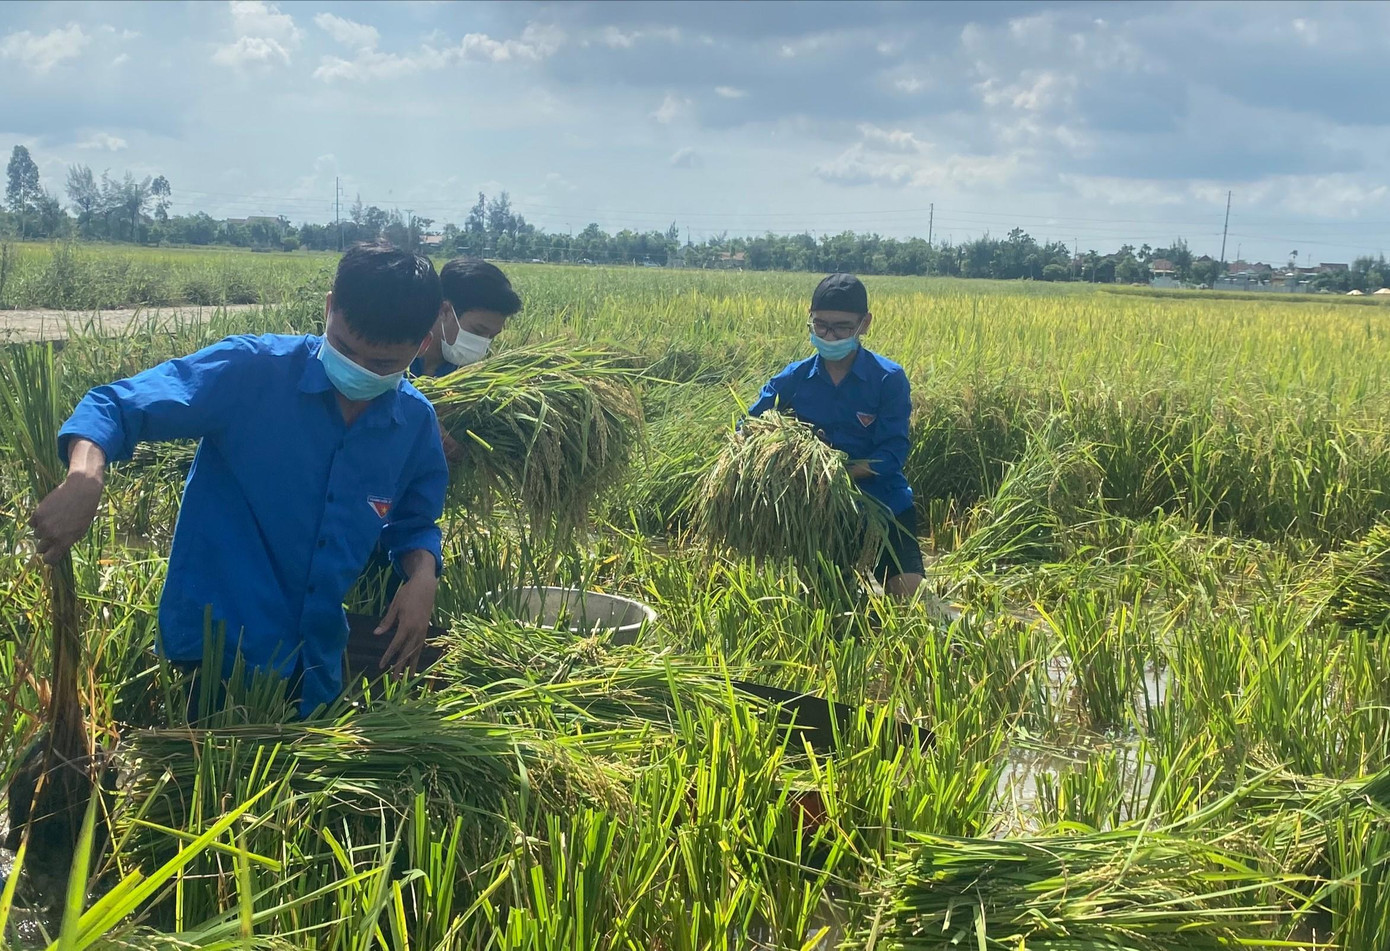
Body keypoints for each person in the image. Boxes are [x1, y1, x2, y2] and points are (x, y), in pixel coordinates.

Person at [30, 242, 449, 718]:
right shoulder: (252, 371)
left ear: (421, 346)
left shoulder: (413, 424)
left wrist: (421, 574)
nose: (358, 371)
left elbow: (414, 520)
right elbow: (116, 405)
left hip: (315, 665)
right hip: (213, 661)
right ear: (330, 307)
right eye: (346, 350)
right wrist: (86, 474)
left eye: (381, 365)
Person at [352, 258, 523, 615]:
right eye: (478, 329)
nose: (483, 344)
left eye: (492, 337)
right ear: (446, 311)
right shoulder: (387, 356)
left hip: (408, 518)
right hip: (354, 500)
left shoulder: (470, 385)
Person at [748, 273, 925, 599]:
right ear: (810, 320)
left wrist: (835, 472)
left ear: (865, 324)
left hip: (883, 503)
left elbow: (892, 453)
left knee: (908, 603)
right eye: (821, 325)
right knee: (826, 604)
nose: (830, 336)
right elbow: (749, 431)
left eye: (842, 327)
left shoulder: (888, 379)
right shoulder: (793, 379)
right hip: (820, 510)